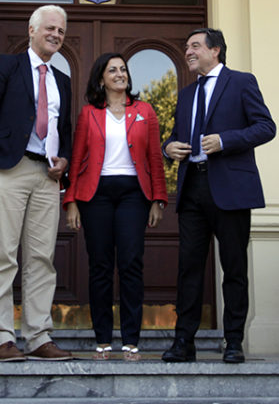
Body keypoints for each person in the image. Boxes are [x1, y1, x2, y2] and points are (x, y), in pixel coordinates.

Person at [160, 28, 275, 364]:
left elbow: (266, 127)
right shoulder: (185, 95)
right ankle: (184, 342)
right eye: (186, 47)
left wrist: (225, 140)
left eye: (195, 46)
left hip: (230, 187)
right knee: (189, 268)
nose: (188, 51)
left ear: (216, 50)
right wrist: (169, 148)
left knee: (234, 266)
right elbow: (175, 137)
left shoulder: (241, 82)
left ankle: (234, 342)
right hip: (193, 187)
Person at [0, 4, 74, 362]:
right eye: (49, 28)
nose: (56, 35)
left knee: (41, 258)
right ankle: (1, 337)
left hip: (47, 177)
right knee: (1, 255)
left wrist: (66, 161)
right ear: (31, 30)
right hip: (9, 170)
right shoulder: (6, 66)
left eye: (61, 31)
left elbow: (65, 131)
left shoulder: (63, 80)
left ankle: (38, 336)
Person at [63, 53, 167, 362]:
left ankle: (132, 339)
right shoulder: (89, 114)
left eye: (123, 69)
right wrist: (71, 201)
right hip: (96, 195)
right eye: (113, 70)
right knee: (100, 266)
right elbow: (78, 156)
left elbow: (154, 160)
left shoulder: (145, 111)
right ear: (101, 79)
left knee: (132, 263)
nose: (120, 74)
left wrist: (158, 199)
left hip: (134, 194)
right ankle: (103, 340)